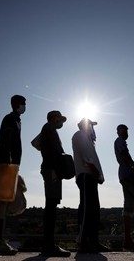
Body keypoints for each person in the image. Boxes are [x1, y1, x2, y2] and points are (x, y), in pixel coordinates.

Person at [0, 95, 26, 256]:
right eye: (24, 104)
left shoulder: (15, 119)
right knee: (1, 203)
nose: (25, 107)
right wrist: (8, 164)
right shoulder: (10, 118)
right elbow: (7, 141)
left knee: (2, 204)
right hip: (6, 164)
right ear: (17, 104)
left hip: (9, 165)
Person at [72, 118, 108, 253]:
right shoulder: (80, 135)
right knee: (87, 209)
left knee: (93, 210)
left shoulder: (86, 138)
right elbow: (88, 159)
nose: (94, 129)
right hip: (87, 176)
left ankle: (93, 241)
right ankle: (83, 242)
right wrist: (98, 175)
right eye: (92, 126)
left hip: (90, 177)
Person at [38, 110, 71, 257]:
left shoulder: (48, 129)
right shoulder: (49, 128)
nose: (62, 123)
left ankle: (49, 244)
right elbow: (54, 152)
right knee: (51, 205)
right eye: (60, 119)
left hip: (52, 169)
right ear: (54, 118)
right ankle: (49, 245)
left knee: (51, 204)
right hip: (52, 169)